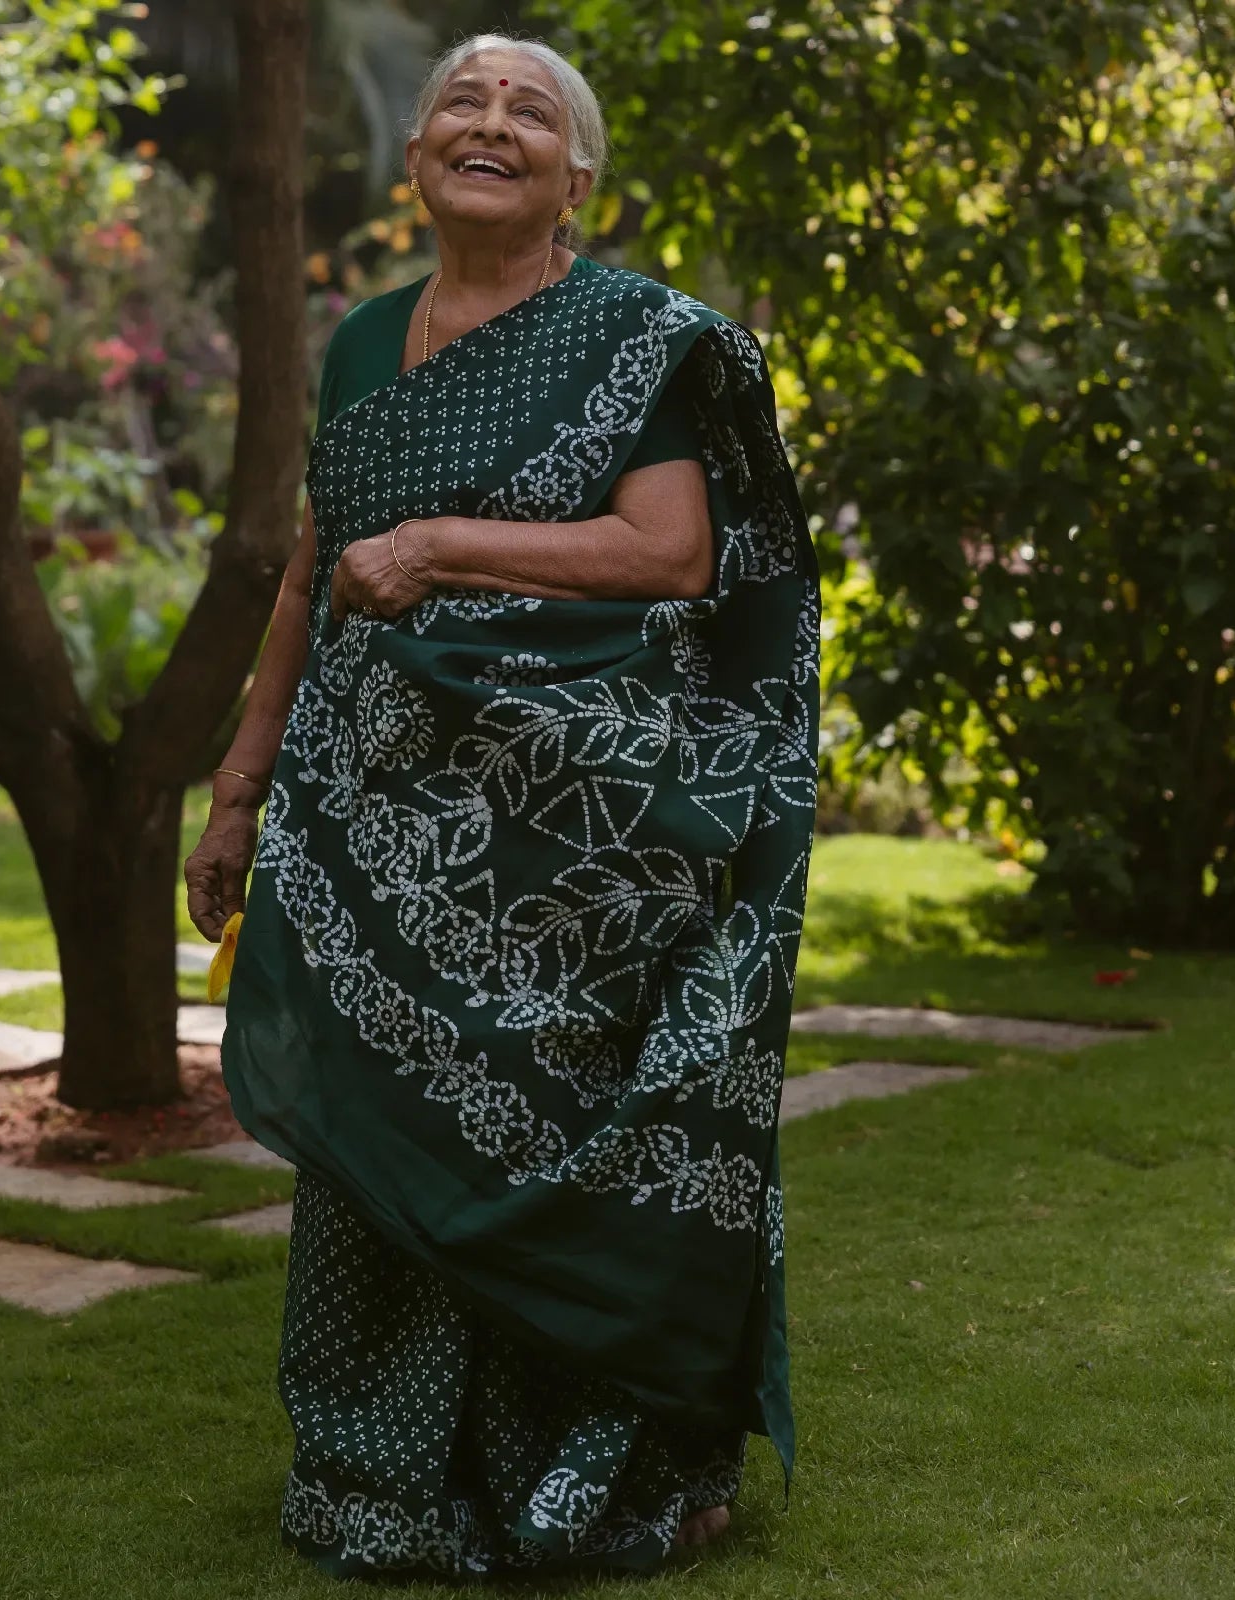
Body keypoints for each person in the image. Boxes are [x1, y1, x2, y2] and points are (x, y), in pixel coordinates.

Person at [184, 31, 819, 1579]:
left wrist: (449, 545)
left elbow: (672, 552)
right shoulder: (361, 342)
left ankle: (612, 1472)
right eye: (460, 103)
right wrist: (243, 778)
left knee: (561, 1137)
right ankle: (382, 1472)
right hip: (373, 814)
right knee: (377, 1133)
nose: (489, 123)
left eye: (529, 111)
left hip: (572, 840)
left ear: (577, 181)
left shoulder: (630, 339)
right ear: (413, 162)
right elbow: (311, 568)